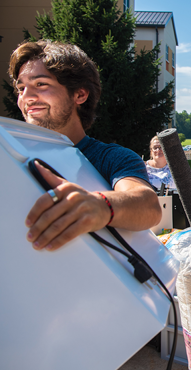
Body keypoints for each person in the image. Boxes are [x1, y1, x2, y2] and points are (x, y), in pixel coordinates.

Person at [9, 40, 161, 251]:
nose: (26, 97)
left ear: (80, 94)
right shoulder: (10, 157)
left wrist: (99, 205)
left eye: (40, 84)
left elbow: (148, 205)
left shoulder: (111, 158)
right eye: (21, 88)